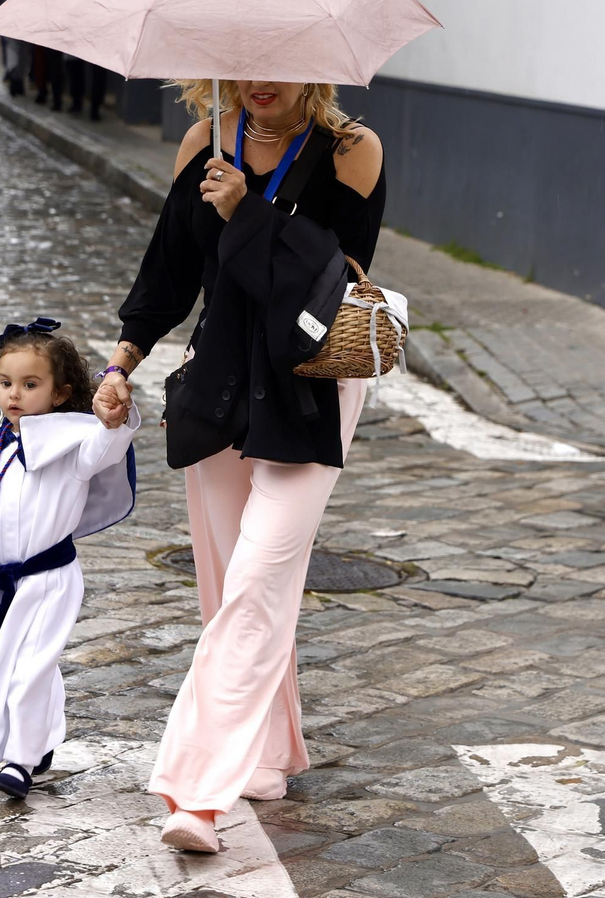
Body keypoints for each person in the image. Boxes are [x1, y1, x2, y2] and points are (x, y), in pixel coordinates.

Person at [93, 78, 386, 852]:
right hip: (221, 378)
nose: (260, 80)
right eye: (244, 61)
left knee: (259, 574)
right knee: (231, 580)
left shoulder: (351, 151)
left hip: (309, 387)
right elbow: (169, 273)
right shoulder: (206, 145)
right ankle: (267, 753)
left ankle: (197, 790)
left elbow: (334, 279)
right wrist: (120, 364)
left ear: (313, 69)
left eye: (279, 63)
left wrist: (246, 212)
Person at [0, 319, 139, 799]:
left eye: (30, 384)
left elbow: (105, 448)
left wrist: (111, 421)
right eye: (6, 384)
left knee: (30, 669)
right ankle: (40, 742)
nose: (15, 395)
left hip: (51, 578)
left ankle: (20, 762)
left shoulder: (74, 445)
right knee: (21, 666)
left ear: (62, 392)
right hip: (3, 583)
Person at [68, 0, 111, 121]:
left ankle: (76, 101)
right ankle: (95, 106)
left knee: (75, 62)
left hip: (80, 17)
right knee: (98, 66)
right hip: (102, 18)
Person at [19, 0, 59, 105]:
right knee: (56, 57)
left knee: (40, 55)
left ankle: (41, 87)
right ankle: (55, 90)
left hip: (40, 16)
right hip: (59, 16)